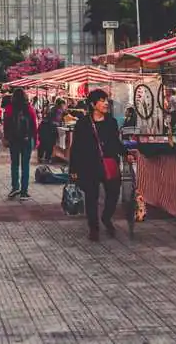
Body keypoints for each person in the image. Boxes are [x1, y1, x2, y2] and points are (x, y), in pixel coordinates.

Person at [69, 89, 123, 241]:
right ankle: (94, 227)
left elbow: (116, 142)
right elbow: (76, 147)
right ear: (93, 104)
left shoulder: (111, 122)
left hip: (109, 163)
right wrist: (73, 169)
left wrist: (126, 153)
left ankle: (106, 217)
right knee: (91, 197)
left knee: (113, 193)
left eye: (106, 100)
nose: (106, 103)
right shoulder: (83, 124)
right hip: (89, 165)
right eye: (102, 100)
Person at [3, 88, 37, 200]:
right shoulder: (30, 109)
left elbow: (6, 126)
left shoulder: (9, 109)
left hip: (14, 140)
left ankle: (15, 188)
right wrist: (36, 140)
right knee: (25, 165)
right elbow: (34, 126)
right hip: (27, 140)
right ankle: (24, 191)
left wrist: (6, 138)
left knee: (15, 164)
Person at [37, 97, 64, 164]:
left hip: (45, 129)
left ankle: (41, 158)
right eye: (64, 105)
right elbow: (55, 121)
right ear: (61, 105)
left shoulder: (52, 109)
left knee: (44, 144)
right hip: (49, 130)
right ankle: (46, 158)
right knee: (49, 144)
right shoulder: (58, 111)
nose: (64, 106)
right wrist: (60, 124)